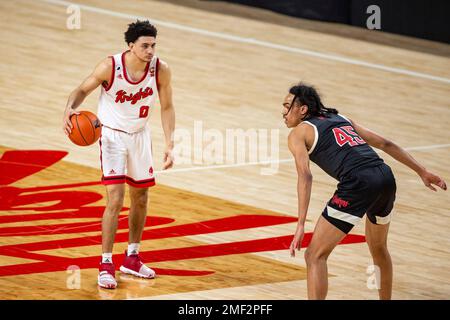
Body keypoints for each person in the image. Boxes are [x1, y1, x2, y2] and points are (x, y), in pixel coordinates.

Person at [282, 83, 446, 299]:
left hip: (358, 184)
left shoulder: (299, 133)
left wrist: (301, 223)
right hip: (385, 177)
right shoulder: (341, 118)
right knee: (378, 248)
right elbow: (385, 144)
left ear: (302, 109)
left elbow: (305, 175)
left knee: (315, 256)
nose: (283, 112)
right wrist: (422, 171)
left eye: (287, 105)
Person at [62, 20, 175, 289]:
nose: (150, 50)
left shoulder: (160, 69)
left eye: (153, 45)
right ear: (130, 46)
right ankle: (105, 263)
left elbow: (168, 106)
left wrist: (170, 143)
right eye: (145, 45)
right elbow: (81, 90)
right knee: (115, 199)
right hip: (111, 136)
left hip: (140, 136)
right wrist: (68, 108)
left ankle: (131, 257)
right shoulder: (110, 66)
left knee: (142, 197)